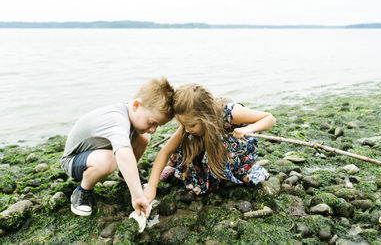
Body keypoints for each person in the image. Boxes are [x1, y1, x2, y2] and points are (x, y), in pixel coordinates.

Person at [61, 77, 174, 217]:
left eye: (158, 125)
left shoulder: (131, 112)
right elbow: (124, 154)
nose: (153, 129)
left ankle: (124, 175)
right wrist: (137, 196)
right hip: (73, 161)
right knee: (108, 161)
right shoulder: (116, 120)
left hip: (96, 151)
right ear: (136, 105)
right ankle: (82, 191)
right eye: (152, 122)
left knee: (144, 137)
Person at [144, 83, 276, 202]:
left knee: (221, 142)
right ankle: (182, 170)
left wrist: (248, 129)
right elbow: (165, 151)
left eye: (192, 125)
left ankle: (225, 176)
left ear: (205, 116)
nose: (188, 129)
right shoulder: (189, 125)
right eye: (184, 125)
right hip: (211, 151)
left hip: (236, 152)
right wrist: (151, 186)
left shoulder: (229, 112)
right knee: (185, 140)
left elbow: (269, 118)